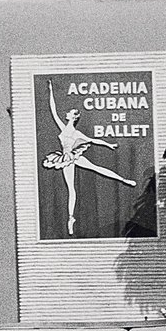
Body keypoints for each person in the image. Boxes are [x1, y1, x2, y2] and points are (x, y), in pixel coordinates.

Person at [42, 79, 137, 235]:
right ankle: (71, 218)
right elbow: (53, 110)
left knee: (96, 168)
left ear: (74, 117)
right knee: (71, 188)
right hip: (65, 159)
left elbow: (93, 140)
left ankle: (123, 180)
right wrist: (51, 90)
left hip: (73, 156)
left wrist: (109, 145)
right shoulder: (63, 128)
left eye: (70, 112)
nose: (66, 113)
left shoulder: (76, 133)